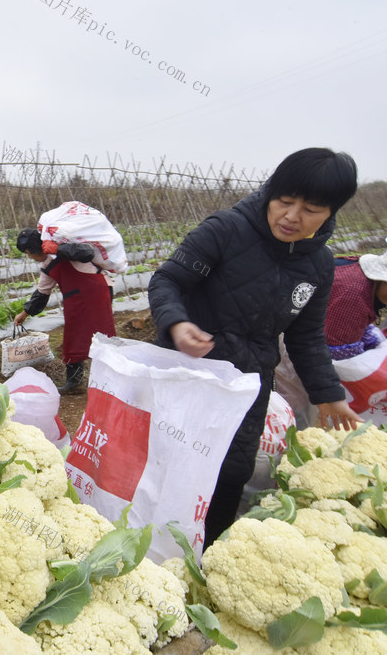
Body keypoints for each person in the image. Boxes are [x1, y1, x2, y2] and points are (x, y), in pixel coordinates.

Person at [148, 147, 363, 547]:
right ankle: (147, 548)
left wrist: (329, 394)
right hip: (189, 371)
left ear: (331, 212)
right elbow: (168, 281)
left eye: (311, 208)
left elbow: (306, 336)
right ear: (271, 192)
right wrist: (177, 323)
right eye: (284, 201)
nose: (292, 216)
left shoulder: (319, 266)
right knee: (168, 461)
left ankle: (206, 558)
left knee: (231, 472)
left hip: (249, 383)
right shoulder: (226, 230)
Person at [275, 240, 387, 425]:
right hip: (296, 344)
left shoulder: (361, 275)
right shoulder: (353, 296)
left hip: (302, 333)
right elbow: (331, 350)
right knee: (297, 409)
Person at [13, 229, 117, 393]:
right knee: (74, 336)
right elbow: (42, 293)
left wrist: (56, 249)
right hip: (76, 298)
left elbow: (86, 253)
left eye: (28, 253)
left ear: (32, 251)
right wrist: (24, 314)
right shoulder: (48, 265)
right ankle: (76, 382)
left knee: (101, 334)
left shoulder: (64, 249)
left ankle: (110, 378)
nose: (30, 257)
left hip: (96, 292)